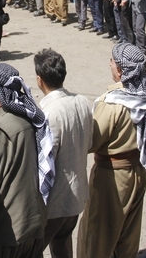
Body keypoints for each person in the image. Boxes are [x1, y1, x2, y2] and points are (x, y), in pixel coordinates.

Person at [78, 43, 146, 258]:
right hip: (140, 170)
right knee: (128, 235)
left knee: (98, 235)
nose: (110, 65)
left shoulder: (113, 103)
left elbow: (91, 141)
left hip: (112, 176)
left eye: (112, 62)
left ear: (122, 70)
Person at [0, 63, 54, 258]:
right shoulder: (27, 119)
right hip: (32, 228)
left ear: (2, 92)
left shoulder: (0, 131)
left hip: (6, 234)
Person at [34, 49, 92, 258]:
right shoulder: (83, 102)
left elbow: (44, 160)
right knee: (62, 244)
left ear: (39, 80)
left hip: (55, 202)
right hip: (77, 196)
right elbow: (89, 142)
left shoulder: (47, 113)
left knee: (31, 249)